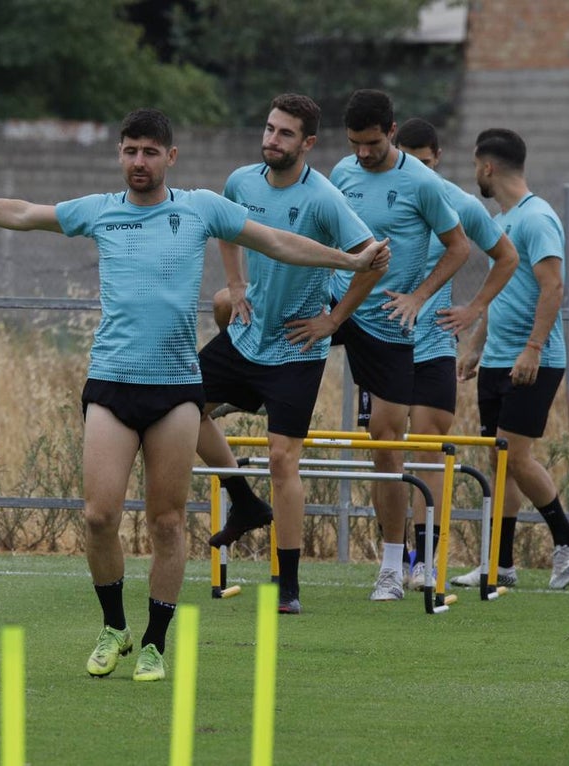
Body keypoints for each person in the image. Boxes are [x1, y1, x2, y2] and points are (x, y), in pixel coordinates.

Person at [0, 108, 389, 680]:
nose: (138, 162)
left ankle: (154, 644)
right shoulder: (100, 211)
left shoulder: (200, 207)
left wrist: (348, 260)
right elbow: (23, 212)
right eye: (129, 151)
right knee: (98, 516)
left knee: (167, 522)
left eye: (149, 152)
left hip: (176, 389)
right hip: (112, 383)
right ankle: (114, 626)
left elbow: (276, 242)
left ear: (171, 157)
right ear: (120, 154)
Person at [194, 93, 377, 615]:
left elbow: (372, 260)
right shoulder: (241, 181)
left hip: (297, 346)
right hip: (246, 335)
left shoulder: (323, 199)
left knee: (281, 459)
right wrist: (235, 284)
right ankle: (245, 502)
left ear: (308, 143)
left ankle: (288, 585)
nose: (272, 139)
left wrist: (333, 321)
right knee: (179, 405)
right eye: (270, 129)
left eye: (286, 133)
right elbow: (226, 228)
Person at [319, 89, 470, 601]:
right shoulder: (342, 173)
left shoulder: (424, 184)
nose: (363, 153)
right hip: (341, 304)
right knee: (263, 324)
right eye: (355, 144)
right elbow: (330, 236)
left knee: (392, 442)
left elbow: (460, 247)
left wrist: (420, 297)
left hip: (391, 323)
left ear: (392, 131)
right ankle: (232, 392)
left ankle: (403, 564)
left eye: (373, 143)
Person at [451, 128, 569, 590]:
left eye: (476, 166)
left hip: (534, 360)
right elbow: (502, 290)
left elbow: (553, 286)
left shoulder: (537, 218)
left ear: (488, 167)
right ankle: (500, 564)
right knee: (499, 461)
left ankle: (567, 540)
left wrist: (533, 348)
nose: (476, 174)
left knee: (514, 455)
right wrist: (476, 346)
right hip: (497, 359)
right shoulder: (502, 220)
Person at [393, 118, 518, 590]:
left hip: (433, 346)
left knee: (428, 451)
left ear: (438, 159)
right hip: (383, 347)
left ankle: (424, 560)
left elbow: (506, 256)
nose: (419, 172)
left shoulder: (459, 203)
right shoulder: (379, 196)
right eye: (410, 163)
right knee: (386, 455)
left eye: (426, 163)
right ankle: (393, 559)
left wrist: (474, 308)